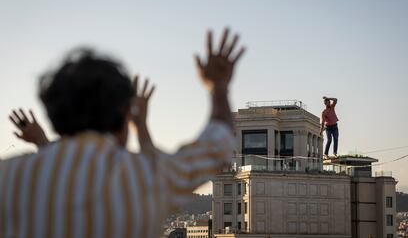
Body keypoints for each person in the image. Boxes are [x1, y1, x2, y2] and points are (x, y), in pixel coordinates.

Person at [0, 28, 245, 238]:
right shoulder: (148, 177)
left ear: (53, 115)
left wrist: (43, 142)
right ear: (125, 113)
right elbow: (219, 140)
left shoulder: (8, 177)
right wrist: (218, 86)